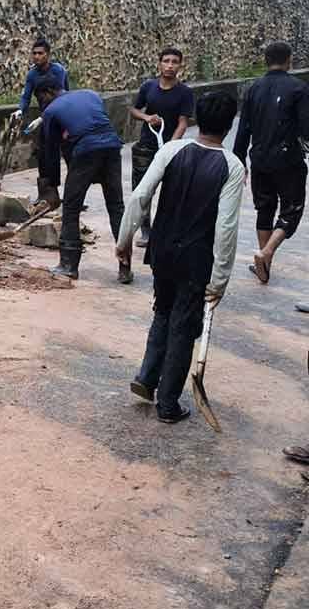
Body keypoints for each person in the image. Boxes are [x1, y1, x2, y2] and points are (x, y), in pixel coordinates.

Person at [116, 91, 245, 423]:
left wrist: (124, 239)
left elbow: (140, 195)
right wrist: (219, 279)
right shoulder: (231, 166)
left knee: (163, 312)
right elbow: (226, 228)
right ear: (230, 124)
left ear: (198, 118)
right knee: (184, 326)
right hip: (196, 259)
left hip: (162, 251)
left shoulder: (172, 150)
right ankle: (169, 404)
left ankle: (147, 378)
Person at [34, 75, 130, 283]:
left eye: (40, 98)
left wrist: (52, 186)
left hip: (87, 151)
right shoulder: (90, 94)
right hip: (112, 147)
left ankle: (69, 265)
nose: (41, 104)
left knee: (70, 208)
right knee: (116, 206)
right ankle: (125, 268)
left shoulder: (50, 111)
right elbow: (91, 124)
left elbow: (51, 152)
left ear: (47, 93)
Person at [233, 41, 309, 284]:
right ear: (289, 60)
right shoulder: (298, 88)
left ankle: (264, 266)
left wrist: (239, 160)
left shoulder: (254, 88)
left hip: (260, 159)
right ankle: (265, 253)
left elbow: (243, 128)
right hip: (288, 160)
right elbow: (306, 128)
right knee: (292, 209)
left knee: (264, 208)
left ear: (266, 60)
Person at [128, 48, 195, 247]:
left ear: (180, 65)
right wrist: (147, 117)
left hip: (170, 149)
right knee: (142, 191)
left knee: (171, 191)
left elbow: (183, 122)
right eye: (166, 61)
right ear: (159, 63)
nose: (170, 65)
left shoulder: (185, 92)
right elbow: (133, 109)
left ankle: (163, 230)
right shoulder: (148, 87)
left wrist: (171, 147)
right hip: (146, 147)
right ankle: (145, 231)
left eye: (175, 61)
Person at [12, 39, 70, 209]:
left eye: (40, 53)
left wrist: (43, 118)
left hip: (63, 116)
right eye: (34, 53)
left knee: (69, 156)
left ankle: (73, 196)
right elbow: (26, 96)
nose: (36, 56)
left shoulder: (58, 71)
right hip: (45, 120)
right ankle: (47, 195)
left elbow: (61, 96)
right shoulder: (32, 75)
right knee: (44, 156)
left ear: (48, 55)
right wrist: (20, 110)